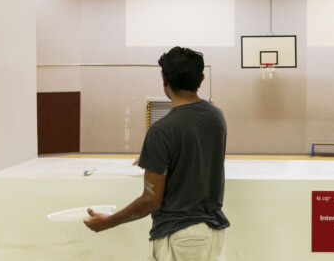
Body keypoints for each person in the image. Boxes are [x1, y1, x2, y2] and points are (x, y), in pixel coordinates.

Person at [84, 46, 230, 260]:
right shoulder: (216, 117)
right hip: (213, 233)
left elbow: (151, 200)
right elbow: (195, 154)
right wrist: (151, 156)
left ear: (164, 79)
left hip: (183, 237)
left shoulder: (162, 130)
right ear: (201, 79)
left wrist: (109, 221)